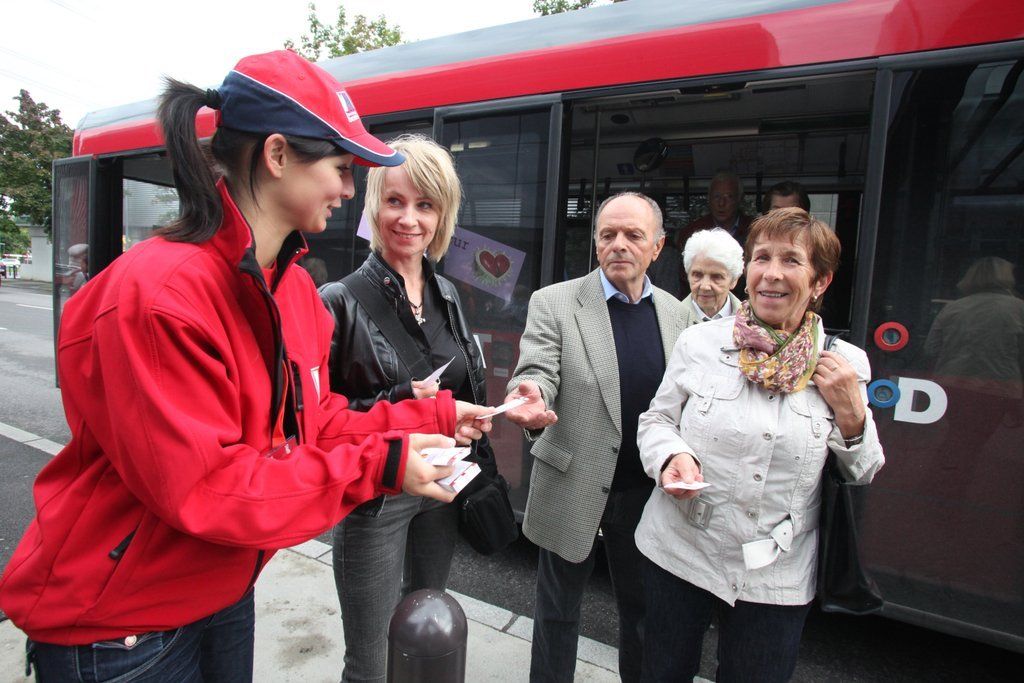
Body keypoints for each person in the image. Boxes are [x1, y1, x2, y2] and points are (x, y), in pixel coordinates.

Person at [0, 50, 492, 682]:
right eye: (341, 168)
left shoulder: (291, 290)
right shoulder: (161, 294)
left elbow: (315, 423)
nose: (350, 191)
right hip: (120, 627)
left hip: (221, 587)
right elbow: (206, 487)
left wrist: (435, 417)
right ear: (278, 155)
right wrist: (382, 464)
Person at [635, 207, 884, 682]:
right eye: (761, 258)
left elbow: (864, 469)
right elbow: (657, 420)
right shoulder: (700, 343)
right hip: (680, 549)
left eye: (791, 260)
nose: (771, 273)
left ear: (820, 281)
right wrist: (671, 456)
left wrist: (851, 411)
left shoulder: (843, 365)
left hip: (777, 573)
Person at [319, 134, 494, 683]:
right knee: (371, 663)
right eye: (395, 201)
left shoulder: (448, 294)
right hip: (376, 497)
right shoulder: (338, 301)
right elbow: (318, 422)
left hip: (441, 487)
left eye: (425, 205)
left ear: (443, 215)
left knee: (426, 636)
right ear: (374, 205)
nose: (409, 219)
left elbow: (465, 380)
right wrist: (400, 399)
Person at [503, 192, 686, 683]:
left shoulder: (678, 315)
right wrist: (531, 395)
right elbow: (537, 370)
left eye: (633, 235)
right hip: (572, 481)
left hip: (644, 492)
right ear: (596, 242)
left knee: (641, 613)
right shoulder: (555, 302)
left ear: (657, 247)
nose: (619, 244)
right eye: (608, 235)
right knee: (557, 611)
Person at [680, 228, 743, 327]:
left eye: (716, 277)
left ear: (734, 281)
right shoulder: (669, 321)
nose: (705, 287)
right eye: (697, 275)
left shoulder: (752, 322)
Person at [675, 171, 751, 249]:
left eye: (729, 197)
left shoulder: (754, 230)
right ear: (708, 198)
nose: (721, 203)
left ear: (739, 199)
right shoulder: (692, 232)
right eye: (716, 196)